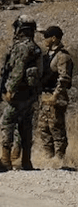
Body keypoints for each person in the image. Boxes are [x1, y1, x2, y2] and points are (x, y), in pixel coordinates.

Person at [0, 14, 43, 171]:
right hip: (30, 94)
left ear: (21, 29)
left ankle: (6, 160)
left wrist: (10, 89)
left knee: (6, 122)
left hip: (19, 93)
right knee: (25, 126)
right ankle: (25, 161)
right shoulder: (35, 47)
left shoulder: (22, 47)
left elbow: (18, 70)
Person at [37, 25, 73, 166]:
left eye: (47, 37)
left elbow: (64, 78)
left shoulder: (62, 56)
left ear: (54, 38)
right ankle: (48, 156)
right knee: (43, 127)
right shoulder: (47, 56)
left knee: (56, 127)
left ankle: (59, 158)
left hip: (56, 97)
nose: (44, 40)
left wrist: (56, 95)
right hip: (45, 96)